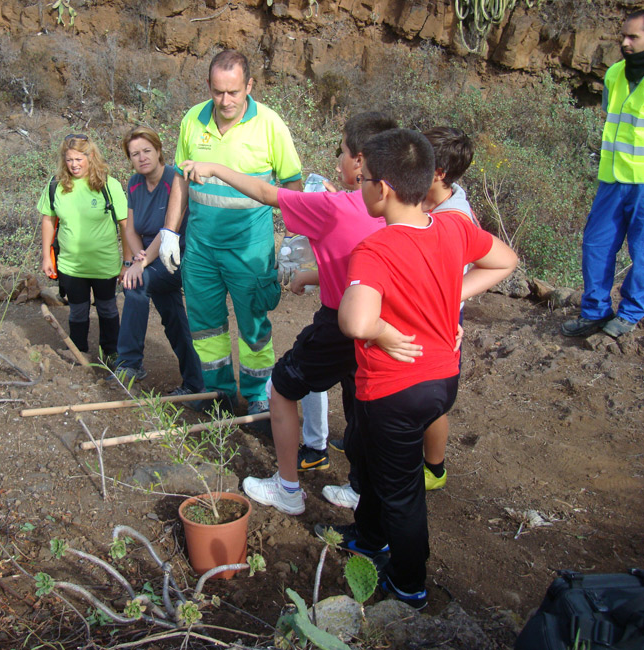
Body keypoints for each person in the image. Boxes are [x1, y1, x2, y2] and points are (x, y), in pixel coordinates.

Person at [325, 128, 516, 609]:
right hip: (440, 381)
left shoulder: (376, 249)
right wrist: (451, 297)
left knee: (402, 493)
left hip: (396, 390)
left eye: (364, 179)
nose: (360, 186)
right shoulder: (452, 228)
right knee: (372, 459)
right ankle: (369, 537)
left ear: (384, 188)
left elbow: (355, 321)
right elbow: (504, 261)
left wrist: (382, 330)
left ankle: (409, 586)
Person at [180, 112, 402, 516]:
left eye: (342, 152)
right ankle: (361, 488)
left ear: (361, 162)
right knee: (362, 406)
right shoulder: (405, 208)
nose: (337, 160)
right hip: (387, 324)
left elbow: (268, 194)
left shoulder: (336, 207)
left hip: (342, 323)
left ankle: (287, 489)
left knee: (282, 387)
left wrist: (214, 168)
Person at [158, 50, 303, 422]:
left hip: (249, 249)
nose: (225, 101)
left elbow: (292, 185)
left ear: (249, 86)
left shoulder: (270, 125)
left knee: (254, 325)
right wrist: (170, 231)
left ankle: (258, 396)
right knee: (206, 327)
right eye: (218, 91)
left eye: (234, 92)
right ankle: (218, 394)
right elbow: (180, 179)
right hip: (201, 248)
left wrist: (293, 241)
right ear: (208, 85)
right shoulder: (193, 119)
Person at [562, 10, 644, 339]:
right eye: (623, 35)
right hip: (611, 179)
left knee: (642, 253)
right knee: (596, 245)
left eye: (633, 37)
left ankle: (630, 313)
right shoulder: (614, 74)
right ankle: (595, 312)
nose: (624, 42)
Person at [112, 126, 204, 399]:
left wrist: (140, 266)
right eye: (135, 154)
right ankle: (195, 383)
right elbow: (131, 229)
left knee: (136, 285)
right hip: (151, 258)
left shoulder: (174, 179)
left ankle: (130, 363)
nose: (142, 158)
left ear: (159, 150)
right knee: (174, 318)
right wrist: (138, 258)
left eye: (146, 151)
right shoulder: (134, 184)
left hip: (177, 257)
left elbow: (168, 230)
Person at [419, 126, 478, 492]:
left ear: (439, 173)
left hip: (439, 318)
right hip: (432, 312)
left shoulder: (453, 221)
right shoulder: (434, 200)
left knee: (432, 397)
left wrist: (451, 304)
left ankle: (434, 468)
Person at [38, 134, 128, 360]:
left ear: (91, 156)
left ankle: (111, 353)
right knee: (77, 310)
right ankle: (79, 353)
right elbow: (48, 220)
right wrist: (46, 257)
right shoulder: (55, 186)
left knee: (107, 308)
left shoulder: (109, 185)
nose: (74, 165)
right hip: (70, 264)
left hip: (104, 263)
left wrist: (127, 262)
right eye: (69, 160)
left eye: (79, 159)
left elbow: (125, 224)